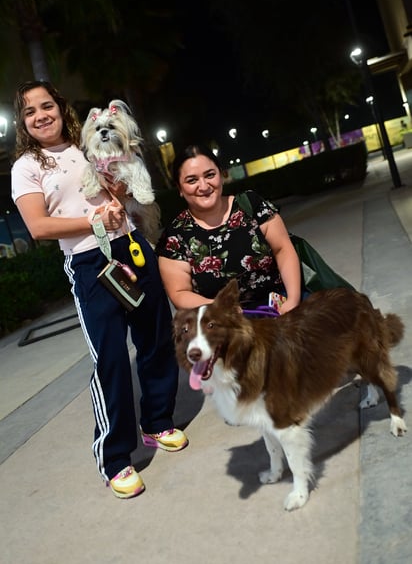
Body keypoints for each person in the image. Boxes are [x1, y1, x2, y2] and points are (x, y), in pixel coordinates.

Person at [11, 81, 187, 499]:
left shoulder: (88, 143)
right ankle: (115, 459)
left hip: (132, 248)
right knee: (110, 358)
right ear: (22, 122)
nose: (41, 115)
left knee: (156, 338)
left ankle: (158, 422)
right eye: (30, 111)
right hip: (91, 263)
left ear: (60, 107)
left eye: (47, 105)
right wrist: (94, 223)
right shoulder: (27, 166)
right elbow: (38, 227)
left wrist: (120, 191)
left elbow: (121, 188)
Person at [155, 144, 302, 314]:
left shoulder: (251, 204)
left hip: (281, 312)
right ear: (180, 188)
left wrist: (293, 299)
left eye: (210, 175)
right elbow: (179, 293)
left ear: (221, 175)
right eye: (192, 180)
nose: (203, 186)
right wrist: (220, 308)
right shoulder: (174, 236)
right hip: (223, 325)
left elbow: (282, 249)